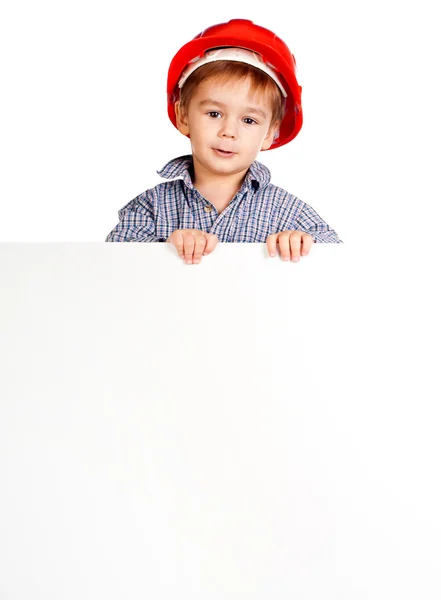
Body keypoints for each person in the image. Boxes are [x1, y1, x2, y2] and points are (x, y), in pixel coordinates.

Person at [106, 19, 341, 264]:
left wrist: (302, 244)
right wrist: (162, 250)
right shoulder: (151, 207)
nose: (229, 132)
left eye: (249, 120)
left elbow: (339, 261)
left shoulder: (287, 211)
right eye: (214, 114)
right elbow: (110, 265)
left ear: (270, 133)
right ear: (183, 116)